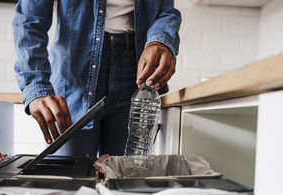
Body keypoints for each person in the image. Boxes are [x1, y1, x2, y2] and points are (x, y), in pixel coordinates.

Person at [13, 0, 181, 157]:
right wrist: (35, 85)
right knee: (68, 181)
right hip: (74, 78)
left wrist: (161, 42)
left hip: (137, 77)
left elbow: (164, 11)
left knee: (125, 181)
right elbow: (29, 19)